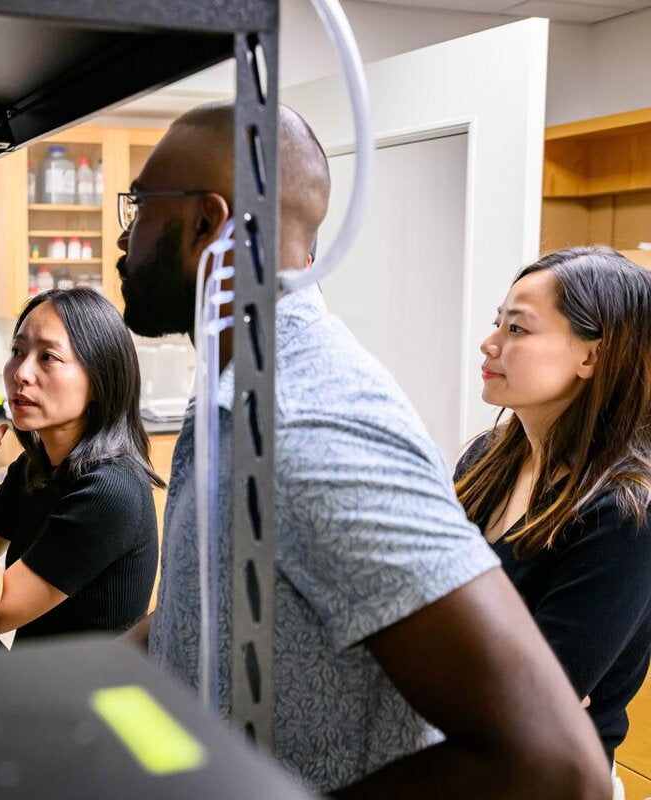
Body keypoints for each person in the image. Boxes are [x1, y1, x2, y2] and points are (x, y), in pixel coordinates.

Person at [118, 101, 610, 798]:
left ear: (208, 223)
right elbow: (203, 622)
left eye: (139, 208)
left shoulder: (307, 427)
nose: (127, 236)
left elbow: (556, 764)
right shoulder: (233, 394)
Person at [455, 246, 651, 772]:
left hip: (548, 777)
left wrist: (523, 692)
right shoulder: (483, 461)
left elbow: (530, 702)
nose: (489, 342)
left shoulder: (626, 512)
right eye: (498, 323)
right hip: (457, 756)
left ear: (592, 356)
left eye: (517, 330)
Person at [0, 288, 162, 642]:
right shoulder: (35, 467)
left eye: (48, 357)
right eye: (17, 351)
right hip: (31, 678)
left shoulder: (110, 490)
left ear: (99, 380)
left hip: (76, 694)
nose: (21, 373)